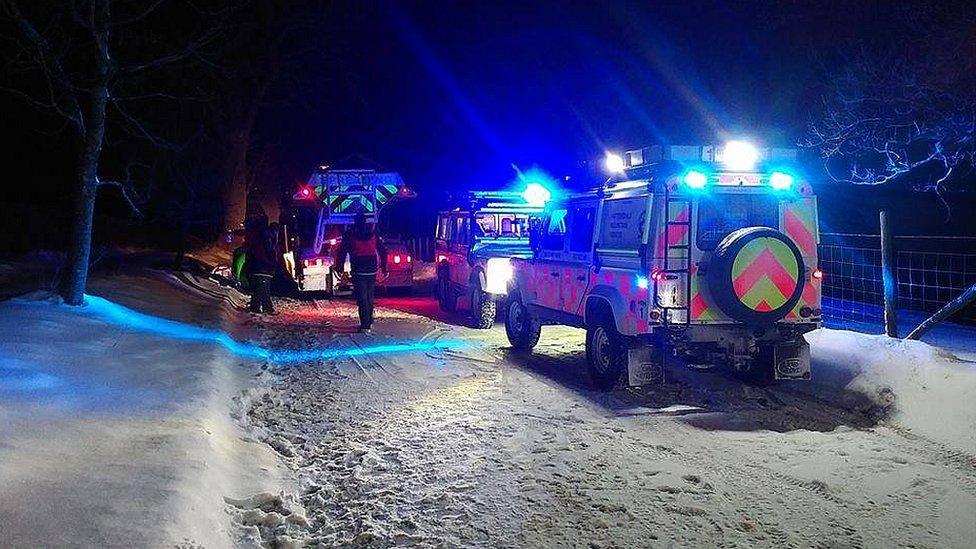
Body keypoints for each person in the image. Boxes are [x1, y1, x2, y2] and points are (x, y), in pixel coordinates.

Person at [335, 212, 387, 332]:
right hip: (371, 268)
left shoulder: (349, 234)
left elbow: (342, 252)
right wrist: (383, 267)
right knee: (369, 296)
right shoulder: (373, 234)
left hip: (358, 269)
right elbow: (383, 251)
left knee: (362, 297)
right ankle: (368, 321)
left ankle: (365, 325)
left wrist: (339, 267)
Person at [243, 214, 277, 314]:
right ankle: (264, 307)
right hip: (262, 267)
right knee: (262, 288)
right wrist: (269, 262)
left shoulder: (255, 234)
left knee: (260, 288)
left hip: (258, 266)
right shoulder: (265, 236)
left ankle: (258, 307)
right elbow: (262, 252)